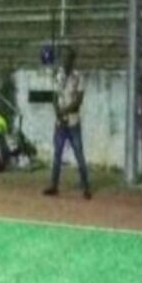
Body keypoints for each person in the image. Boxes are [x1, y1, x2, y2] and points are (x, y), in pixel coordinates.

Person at [44, 47, 92, 199]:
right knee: (57, 154)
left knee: (79, 154)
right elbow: (54, 96)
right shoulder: (59, 76)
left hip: (72, 121)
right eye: (64, 58)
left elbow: (78, 101)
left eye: (68, 58)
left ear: (73, 60)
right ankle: (54, 185)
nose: (65, 61)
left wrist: (63, 111)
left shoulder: (78, 77)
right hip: (60, 122)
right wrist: (57, 112)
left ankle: (86, 186)